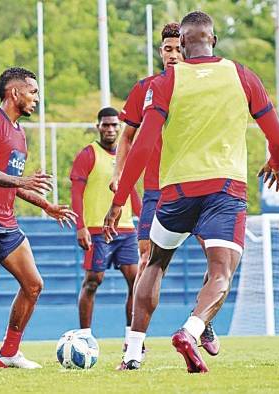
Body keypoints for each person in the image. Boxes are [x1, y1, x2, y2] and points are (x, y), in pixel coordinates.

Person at [104, 11, 279, 373]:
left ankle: (133, 352)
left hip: (175, 192)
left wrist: (119, 199)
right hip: (225, 190)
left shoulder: (168, 81)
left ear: (184, 45)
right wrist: (275, 163)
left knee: (153, 263)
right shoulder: (242, 75)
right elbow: (277, 137)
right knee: (221, 270)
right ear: (213, 40)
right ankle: (192, 329)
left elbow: (142, 145)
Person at [0, 67, 78, 373]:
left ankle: (9, 352)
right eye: (33, 91)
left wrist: (46, 205)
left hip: (6, 219)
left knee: (33, 285)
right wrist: (23, 183)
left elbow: (12, 182)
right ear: (15, 93)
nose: (37, 98)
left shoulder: (19, 133)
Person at [112, 22, 220, 358]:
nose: (173, 55)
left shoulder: (203, 86)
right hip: (157, 189)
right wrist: (119, 174)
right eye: (167, 49)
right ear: (161, 51)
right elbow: (127, 137)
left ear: (188, 48)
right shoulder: (145, 88)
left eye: (178, 48)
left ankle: (202, 319)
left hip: (199, 183)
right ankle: (136, 341)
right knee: (148, 259)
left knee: (217, 259)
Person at [70, 107, 141, 350]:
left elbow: (130, 189)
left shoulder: (127, 155)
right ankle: (85, 336)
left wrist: (144, 214)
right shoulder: (88, 154)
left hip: (126, 229)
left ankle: (132, 339)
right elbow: (76, 193)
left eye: (114, 125)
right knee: (93, 281)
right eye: (106, 125)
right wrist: (80, 226)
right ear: (98, 126)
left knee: (137, 281)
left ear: (119, 127)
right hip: (97, 230)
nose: (110, 129)